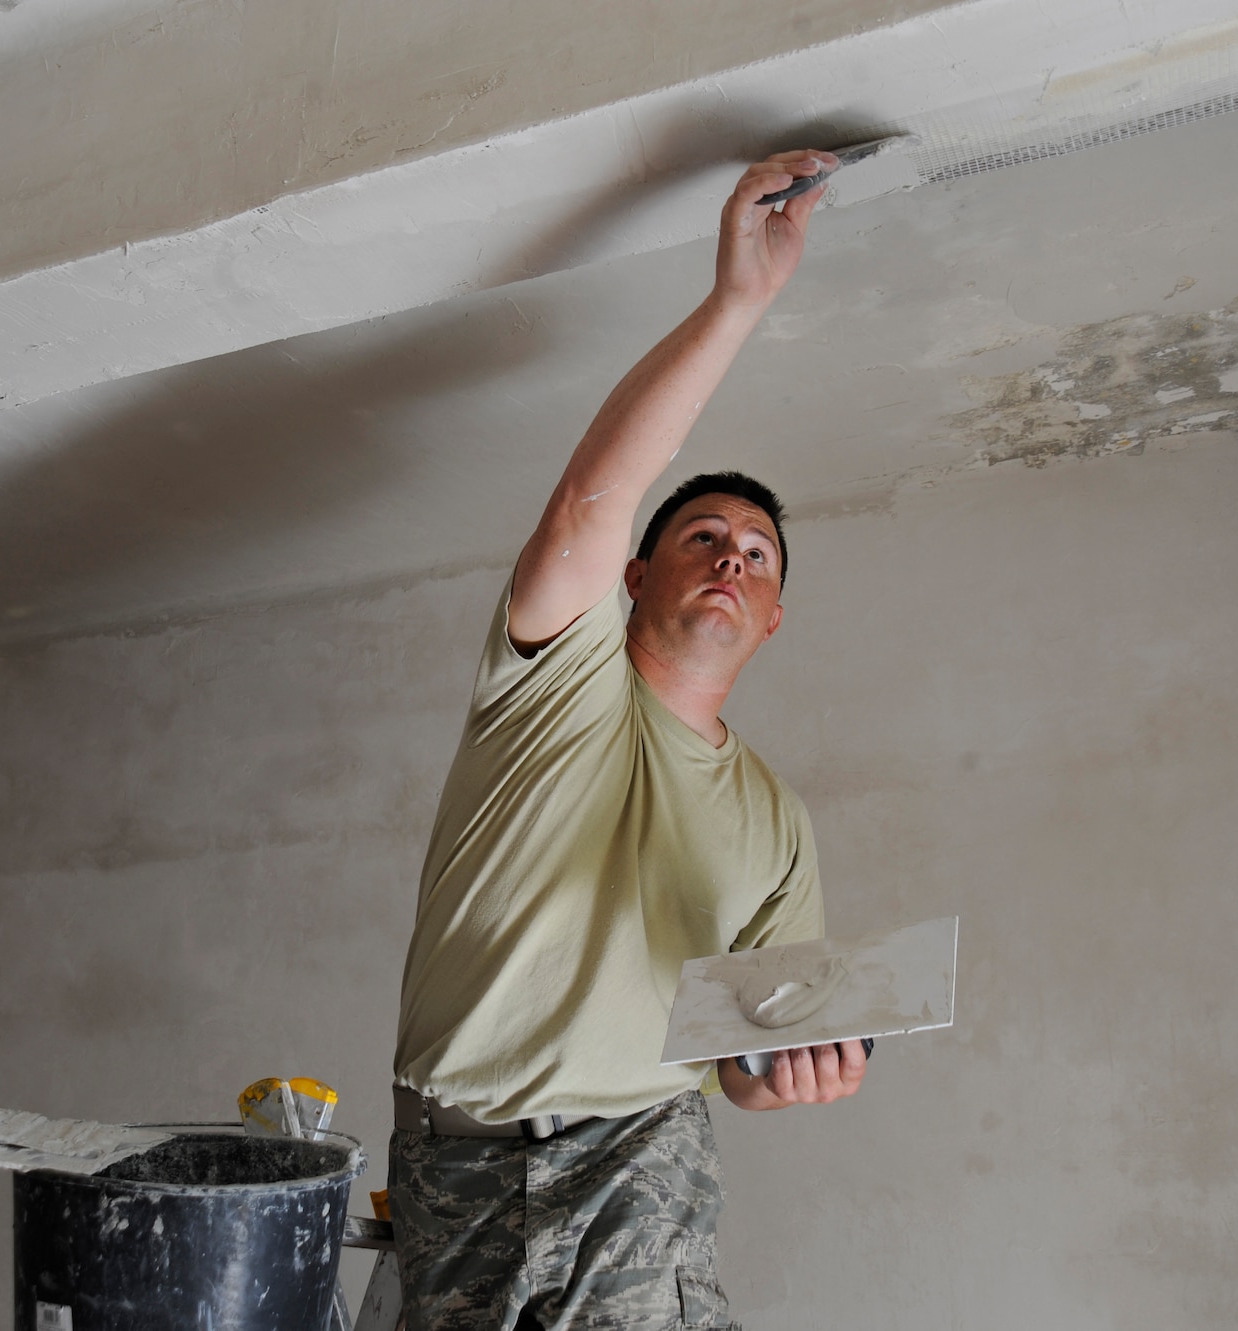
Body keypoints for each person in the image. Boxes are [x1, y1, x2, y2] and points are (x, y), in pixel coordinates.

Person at [388, 150, 866, 1331]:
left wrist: (797, 1070)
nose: (731, 559)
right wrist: (736, 300)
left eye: (756, 556)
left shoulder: (773, 819)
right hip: (453, 1160)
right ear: (639, 574)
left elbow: (745, 1061)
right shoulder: (555, 679)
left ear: (771, 617)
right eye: (704, 535)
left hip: (641, 1158)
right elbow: (589, 503)